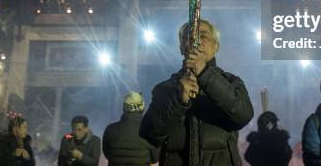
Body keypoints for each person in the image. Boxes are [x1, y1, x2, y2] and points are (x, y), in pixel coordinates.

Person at [140, 20, 254, 166]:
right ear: (182, 47)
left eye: (203, 36)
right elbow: (150, 134)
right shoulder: (166, 89)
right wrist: (178, 101)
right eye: (189, 37)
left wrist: (205, 73)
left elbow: (243, 115)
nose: (196, 41)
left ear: (216, 47)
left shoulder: (231, 82)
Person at [102, 91, 159, 166]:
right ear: (142, 108)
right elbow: (155, 158)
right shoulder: (151, 130)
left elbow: (107, 154)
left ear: (124, 108)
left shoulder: (110, 130)